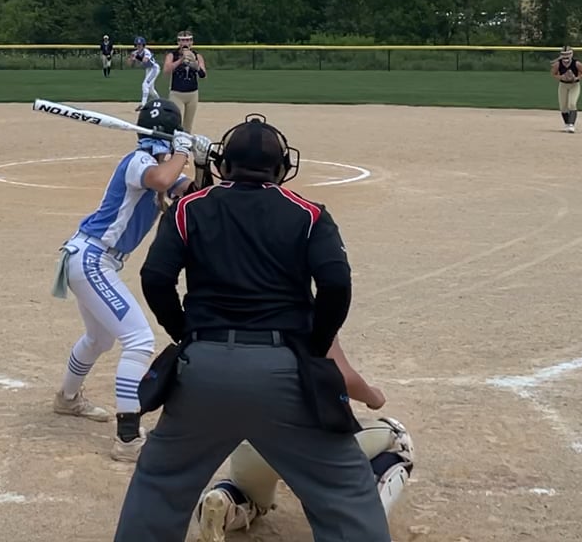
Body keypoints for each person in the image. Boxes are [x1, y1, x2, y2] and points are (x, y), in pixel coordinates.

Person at [114, 114, 390, 542]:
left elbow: (155, 277)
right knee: (344, 492)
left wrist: (186, 333)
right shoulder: (309, 213)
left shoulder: (189, 208)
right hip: (286, 370)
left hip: (203, 370)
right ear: (282, 167)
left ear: (224, 165)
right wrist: (315, 346)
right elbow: (336, 284)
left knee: (160, 483)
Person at [52, 98, 195, 462]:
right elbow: (161, 180)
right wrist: (182, 151)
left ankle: (67, 398)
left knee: (99, 338)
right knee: (139, 340)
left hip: (94, 259)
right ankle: (128, 439)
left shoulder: (157, 164)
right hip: (93, 259)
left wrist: (201, 156)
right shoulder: (140, 163)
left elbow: (190, 191)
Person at [190, 338, 414, 541]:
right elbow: (345, 377)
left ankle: (225, 499)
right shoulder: (302, 310)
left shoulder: (227, 314)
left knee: (250, 493)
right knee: (398, 437)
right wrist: (374, 397)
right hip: (307, 441)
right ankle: (362, 513)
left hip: (250, 439)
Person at [166, 31, 207, 134]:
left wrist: (195, 65)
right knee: (176, 122)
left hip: (192, 94)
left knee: (188, 125)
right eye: (182, 40)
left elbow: (203, 74)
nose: (185, 43)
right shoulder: (172, 55)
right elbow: (166, 70)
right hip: (177, 93)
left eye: (188, 40)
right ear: (178, 42)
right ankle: (174, 141)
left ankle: (186, 141)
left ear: (191, 42)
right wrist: (181, 60)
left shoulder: (197, 56)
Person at [554, 46, 582, 133]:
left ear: (571, 54)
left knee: (572, 104)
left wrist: (576, 78)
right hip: (563, 85)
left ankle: (571, 124)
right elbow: (554, 73)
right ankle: (567, 124)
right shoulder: (558, 64)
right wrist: (561, 77)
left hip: (574, 85)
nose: (566, 57)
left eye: (567, 54)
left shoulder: (576, 64)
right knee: (563, 107)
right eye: (564, 55)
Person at [130, 36, 161, 108]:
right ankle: (159, 102)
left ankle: (143, 104)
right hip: (148, 69)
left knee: (145, 85)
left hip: (154, 68)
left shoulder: (146, 51)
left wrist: (136, 57)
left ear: (143, 45)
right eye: (137, 44)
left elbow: (145, 60)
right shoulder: (135, 53)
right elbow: (132, 65)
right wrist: (133, 60)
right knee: (151, 90)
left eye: (140, 44)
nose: (138, 46)